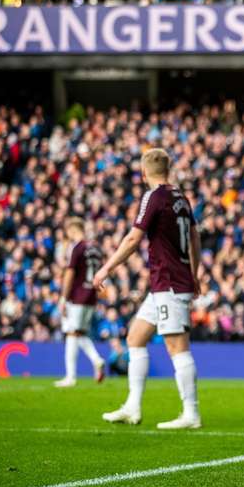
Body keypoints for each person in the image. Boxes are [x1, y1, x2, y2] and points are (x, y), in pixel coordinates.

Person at [93, 148, 202, 429]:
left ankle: (191, 413)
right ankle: (133, 406)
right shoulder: (180, 196)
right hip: (168, 282)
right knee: (135, 337)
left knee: (177, 347)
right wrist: (195, 272)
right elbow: (194, 236)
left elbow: (132, 239)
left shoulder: (154, 197)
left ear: (144, 173)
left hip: (170, 282)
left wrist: (106, 268)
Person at [54, 217, 106, 387]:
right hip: (91, 295)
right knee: (79, 332)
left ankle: (71, 377)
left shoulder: (78, 248)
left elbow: (69, 273)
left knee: (71, 333)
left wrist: (63, 297)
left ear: (72, 229)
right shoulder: (96, 249)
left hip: (77, 295)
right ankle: (96, 360)